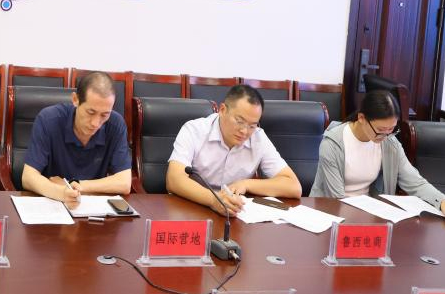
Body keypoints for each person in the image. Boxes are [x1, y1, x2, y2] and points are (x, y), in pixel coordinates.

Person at [167, 84, 302, 215]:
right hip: (194, 208)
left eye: (252, 126)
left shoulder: (258, 138)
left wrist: (246, 184)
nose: (244, 131)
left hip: (234, 214)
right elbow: (174, 179)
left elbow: (294, 187)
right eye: (239, 121)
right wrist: (214, 200)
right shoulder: (194, 130)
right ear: (222, 110)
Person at [311, 90, 445, 214]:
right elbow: (336, 198)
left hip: (368, 211)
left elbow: (415, 182)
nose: (385, 137)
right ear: (361, 118)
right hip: (330, 212)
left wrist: (441, 202)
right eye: (380, 130)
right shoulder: (332, 144)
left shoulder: (390, 143)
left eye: (391, 129)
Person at [22, 71, 132, 206]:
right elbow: (28, 177)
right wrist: (62, 193)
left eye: (104, 115)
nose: (95, 123)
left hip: (92, 206)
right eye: (90, 112)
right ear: (75, 99)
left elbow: (124, 183)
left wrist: (77, 185)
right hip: (51, 203)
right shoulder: (48, 120)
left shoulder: (116, 124)